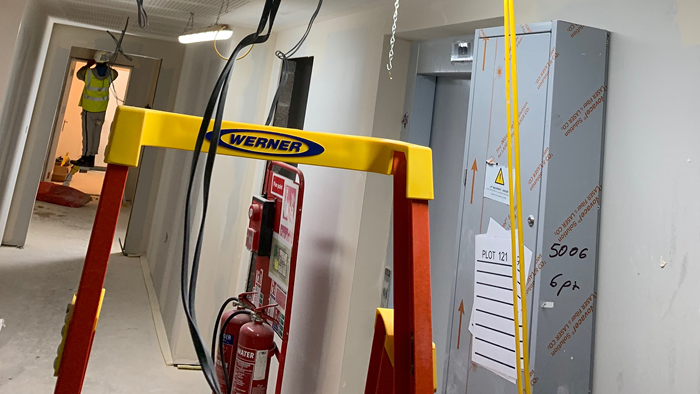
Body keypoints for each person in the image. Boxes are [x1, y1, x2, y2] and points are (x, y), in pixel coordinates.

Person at [70, 51, 118, 168]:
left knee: (87, 134)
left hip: (89, 109)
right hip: (101, 110)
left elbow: (78, 74)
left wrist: (88, 65)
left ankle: (85, 158)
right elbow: (115, 73)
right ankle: (92, 158)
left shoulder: (88, 73)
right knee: (96, 134)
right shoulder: (111, 74)